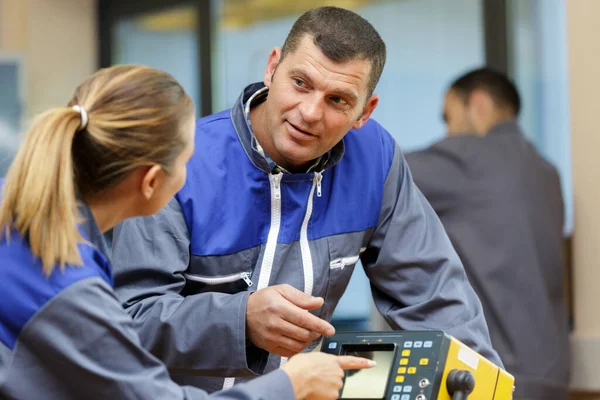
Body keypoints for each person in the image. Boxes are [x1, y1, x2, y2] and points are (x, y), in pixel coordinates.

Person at [111, 7, 502, 393]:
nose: (310, 112)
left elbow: (435, 294)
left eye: (338, 100)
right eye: (300, 83)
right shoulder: (182, 162)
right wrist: (241, 319)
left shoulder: (375, 160)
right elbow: (128, 321)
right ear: (272, 68)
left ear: (365, 111)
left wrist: (485, 387)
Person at [0, 64, 374, 400]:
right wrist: (290, 385)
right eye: (187, 160)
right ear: (151, 182)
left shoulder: (19, 213)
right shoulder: (68, 286)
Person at [405, 68, 570, 400]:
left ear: (477, 103)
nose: (448, 131)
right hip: (554, 375)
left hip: (497, 377)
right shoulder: (546, 172)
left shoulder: (468, 159)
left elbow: (382, 173)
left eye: (448, 116)